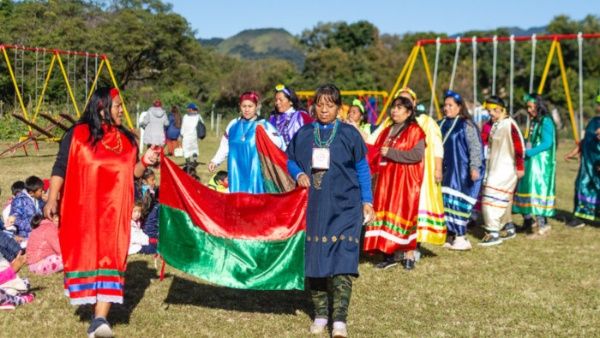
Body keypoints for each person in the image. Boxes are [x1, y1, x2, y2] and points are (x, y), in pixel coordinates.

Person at [44, 87, 159, 337]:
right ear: (102, 107)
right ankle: (90, 299)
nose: (121, 109)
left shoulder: (127, 139)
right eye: (117, 105)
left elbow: (133, 173)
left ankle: (99, 320)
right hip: (82, 210)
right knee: (85, 254)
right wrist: (52, 198)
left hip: (114, 213)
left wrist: (146, 161)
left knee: (112, 257)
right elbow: (60, 166)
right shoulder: (77, 134)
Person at [286, 84, 374, 338]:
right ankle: (321, 314)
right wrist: (299, 173)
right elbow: (290, 159)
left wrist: (367, 200)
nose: (324, 110)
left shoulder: (349, 134)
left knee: (344, 262)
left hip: (346, 206)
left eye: (330, 105)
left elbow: (362, 168)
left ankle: (339, 320)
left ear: (339, 107)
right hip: (314, 207)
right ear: (314, 106)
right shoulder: (303, 133)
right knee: (316, 262)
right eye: (320, 105)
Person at [363, 95, 425, 271]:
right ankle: (387, 255)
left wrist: (391, 153)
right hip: (384, 180)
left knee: (403, 215)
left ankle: (408, 254)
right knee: (383, 213)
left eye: (399, 107)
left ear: (409, 112)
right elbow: (375, 151)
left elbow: (416, 155)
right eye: (394, 107)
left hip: (404, 181)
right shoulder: (386, 130)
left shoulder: (415, 131)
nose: (395, 110)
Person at [397, 88, 446, 256]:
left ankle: (414, 246)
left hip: (421, 173)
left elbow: (437, 146)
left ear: (414, 103)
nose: (402, 104)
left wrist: (438, 168)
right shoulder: (392, 121)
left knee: (417, 207)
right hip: (398, 174)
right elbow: (374, 139)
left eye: (407, 100)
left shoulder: (426, 122)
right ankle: (398, 245)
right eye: (400, 100)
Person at [208, 91, 284, 193]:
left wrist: (264, 132)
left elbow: (280, 144)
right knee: (237, 199)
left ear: (256, 106)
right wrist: (215, 161)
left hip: (255, 172)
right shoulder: (233, 124)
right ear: (240, 106)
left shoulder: (263, 125)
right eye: (244, 106)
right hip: (236, 170)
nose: (247, 109)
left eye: (250, 106)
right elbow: (225, 146)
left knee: (254, 200)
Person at [438, 90, 485, 250]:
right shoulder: (441, 123)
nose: (446, 108)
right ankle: (451, 235)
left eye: (450, 105)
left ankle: (461, 237)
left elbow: (475, 148)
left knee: (457, 203)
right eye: (445, 105)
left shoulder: (466, 124)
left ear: (459, 107)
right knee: (445, 202)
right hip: (446, 170)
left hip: (461, 171)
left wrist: (474, 167)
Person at [479, 96, 525, 246]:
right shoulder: (496, 125)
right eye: (489, 111)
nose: (490, 114)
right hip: (494, 167)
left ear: (501, 109)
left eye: (492, 110)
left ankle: (493, 232)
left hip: (506, 168)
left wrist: (520, 167)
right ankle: (506, 228)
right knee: (499, 199)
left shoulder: (509, 125)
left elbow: (519, 147)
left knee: (491, 198)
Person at [512, 93, 556, 238]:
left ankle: (543, 227)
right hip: (532, 162)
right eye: (528, 107)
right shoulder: (535, 121)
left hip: (541, 164)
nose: (529, 110)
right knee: (527, 190)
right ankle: (530, 222)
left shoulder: (546, 121)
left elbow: (547, 143)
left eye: (531, 107)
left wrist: (529, 152)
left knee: (538, 191)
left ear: (539, 106)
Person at [564, 94, 600, 227]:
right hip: (587, 164)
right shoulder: (594, 121)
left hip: (598, 164)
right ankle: (579, 216)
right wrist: (573, 152)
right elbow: (585, 141)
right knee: (581, 186)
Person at [269, 84, 312, 148]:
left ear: (291, 101)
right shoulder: (273, 118)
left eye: (281, 100)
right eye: (276, 100)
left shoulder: (302, 116)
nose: (277, 103)